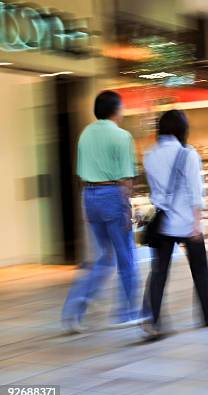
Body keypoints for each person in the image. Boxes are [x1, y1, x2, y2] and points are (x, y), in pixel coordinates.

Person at [142, 110, 208, 340]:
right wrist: (197, 224)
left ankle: (154, 319)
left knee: (159, 272)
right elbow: (196, 193)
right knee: (200, 270)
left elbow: (155, 191)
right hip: (186, 222)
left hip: (162, 222)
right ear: (182, 129)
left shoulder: (149, 155)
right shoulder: (187, 154)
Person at [62, 90, 140, 332]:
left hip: (89, 196)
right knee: (126, 256)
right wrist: (127, 209)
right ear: (116, 110)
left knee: (104, 258)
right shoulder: (122, 136)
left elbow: (79, 173)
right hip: (112, 195)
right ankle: (126, 312)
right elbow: (126, 179)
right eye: (122, 107)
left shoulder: (85, 134)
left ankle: (75, 307)